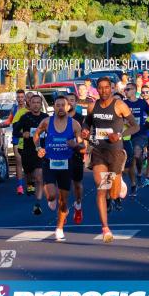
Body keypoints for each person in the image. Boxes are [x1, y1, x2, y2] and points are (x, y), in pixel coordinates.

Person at [81, 77, 139, 243]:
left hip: (115, 153)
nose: (104, 90)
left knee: (113, 195)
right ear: (97, 89)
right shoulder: (93, 106)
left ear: (112, 89)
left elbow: (135, 126)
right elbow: (87, 124)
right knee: (101, 189)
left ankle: (119, 183)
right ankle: (105, 228)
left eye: (107, 88)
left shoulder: (119, 105)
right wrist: (85, 131)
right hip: (99, 151)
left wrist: (120, 135)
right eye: (100, 88)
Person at [34, 97, 83, 241]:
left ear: (68, 107)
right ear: (54, 107)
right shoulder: (46, 122)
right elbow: (36, 135)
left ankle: (59, 228)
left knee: (63, 200)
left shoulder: (74, 124)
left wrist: (75, 144)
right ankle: (51, 199)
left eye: (63, 105)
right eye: (58, 105)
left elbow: (82, 146)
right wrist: (38, 148)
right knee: (51, 195)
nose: (60, 108)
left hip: (66, 163)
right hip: (50, 162)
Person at [13, 94, 49, 216]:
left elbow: (52, 132)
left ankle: (38, 203)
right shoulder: (25, 117)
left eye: (38, 102)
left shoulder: (46, 118)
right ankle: (29, 183)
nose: (36, 105)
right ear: (30, 104)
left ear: (41, 105)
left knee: (39, 176)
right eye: (33, 102)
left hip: (41, 151)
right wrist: (23, 134)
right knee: (29, 173)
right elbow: (15, 131)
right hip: (28, 150)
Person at [123, 82, 149, 193]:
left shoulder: (142, 102)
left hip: (140, 133)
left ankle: (139, 173)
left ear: (134, 90)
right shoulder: (123, 103)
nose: (126, 91)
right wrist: (125, 121)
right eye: (125, 89)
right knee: (130, 158)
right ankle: (133, 181)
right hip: (127, 133)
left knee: (137, 153)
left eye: (128, 89)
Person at [64, 92, 88, 224]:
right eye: (67, 100)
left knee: (77, 184)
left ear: (76, 103)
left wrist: (84, 149)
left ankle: (78, 205)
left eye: (72, 100)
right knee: (62, 184)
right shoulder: (57, 118)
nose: (70, 103)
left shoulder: (81, 119)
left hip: (77, 153)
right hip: (60, 154)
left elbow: (85, 137)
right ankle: (64, 209)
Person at [4, 90, 28, 195]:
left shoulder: (28, 109)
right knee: (19, 161)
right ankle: (20, 186)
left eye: (22, 97)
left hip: (27, 138)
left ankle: (30, 184)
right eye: (18, 97)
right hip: (17, 138)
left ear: (25, 98)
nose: (20, 99)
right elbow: (9, 121)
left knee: (28, 163)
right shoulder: (14, 109)